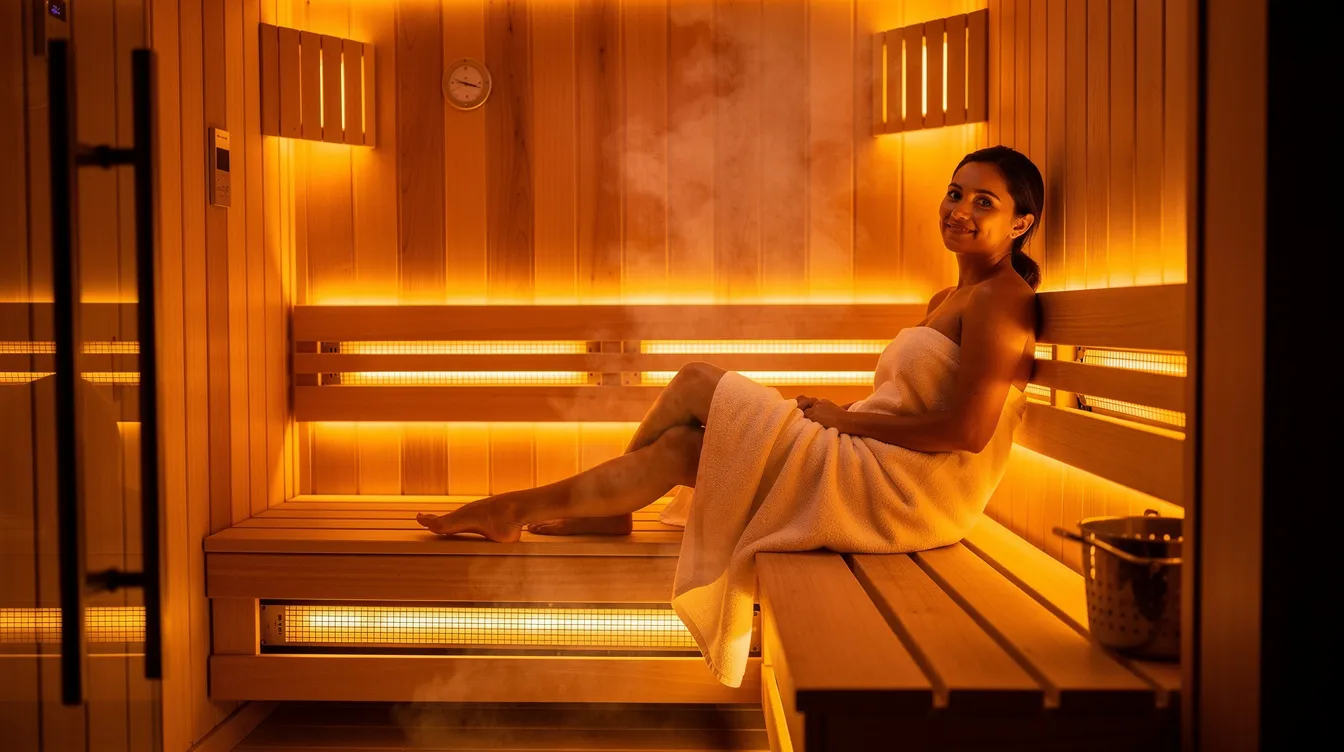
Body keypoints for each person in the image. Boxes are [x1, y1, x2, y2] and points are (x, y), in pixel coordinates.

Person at [417, 145, 1042, 543]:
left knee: (694, 381)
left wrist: (843, 424)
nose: (959, 209)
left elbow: (966, 432)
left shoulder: (1002, 300)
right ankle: (536, 511)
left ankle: (552, 511)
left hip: (908, 493)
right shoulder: (946, 300)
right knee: (686, 449)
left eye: (982, 201)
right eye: (955, 193)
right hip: (876, 462)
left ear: (1020, 223)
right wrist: (842, 418)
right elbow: (907, 403)